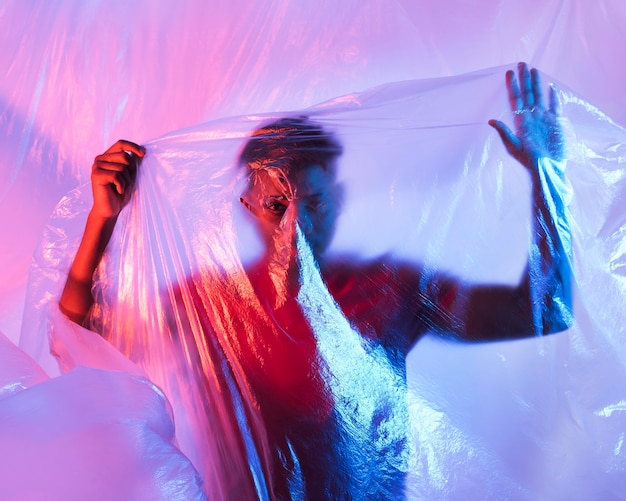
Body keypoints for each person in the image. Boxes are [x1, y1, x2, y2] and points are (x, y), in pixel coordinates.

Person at [59, 63, 572, 499]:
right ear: (249, 209)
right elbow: (78, 325)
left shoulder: (392, 289)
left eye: (314, 204)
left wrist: (544, 176)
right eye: (278, 206)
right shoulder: (213, 303)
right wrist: (104, 216)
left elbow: (545, 311)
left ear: (340, 201)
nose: (295, 229)